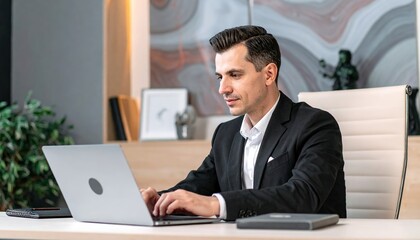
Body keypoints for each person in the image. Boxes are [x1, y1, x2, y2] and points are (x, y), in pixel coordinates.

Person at [142, 25, 346, 221]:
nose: (223, 88)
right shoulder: (226, 133)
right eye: (220, 77)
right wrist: (158, 201)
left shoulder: (316, 125)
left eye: (234, 75)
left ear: (269, 74)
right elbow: (198, 186)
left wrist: (216, 204)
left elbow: (302, 196)